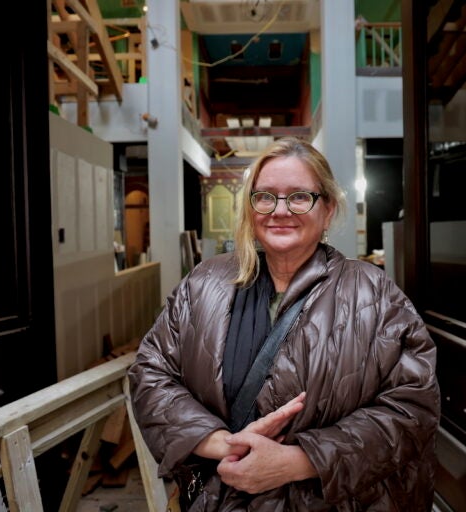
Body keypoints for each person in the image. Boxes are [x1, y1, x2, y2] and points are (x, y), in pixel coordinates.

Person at [128, 137, 440, 511]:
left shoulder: (373, 294)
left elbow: (412, 407)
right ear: (250, 207)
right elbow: (151, 373)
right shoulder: (204, 284)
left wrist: (299, 462)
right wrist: (221, 443)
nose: (279, 210)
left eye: (298, 196)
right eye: (265, 197)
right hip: (221, 498)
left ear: (327, 209)